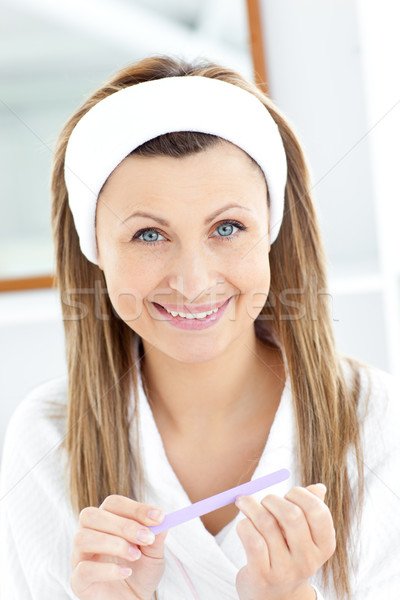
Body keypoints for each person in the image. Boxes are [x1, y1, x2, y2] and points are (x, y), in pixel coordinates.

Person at [0, 54, 399, 600]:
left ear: (272, 236)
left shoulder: (379, 422)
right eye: (147, 235)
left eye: (228, 227)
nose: (192, 282)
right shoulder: (46, 440)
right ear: (94, 250)